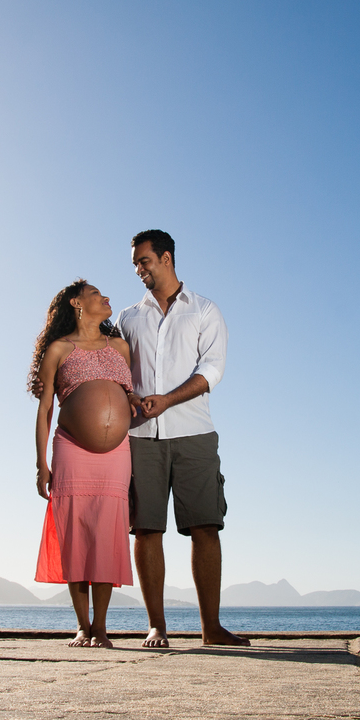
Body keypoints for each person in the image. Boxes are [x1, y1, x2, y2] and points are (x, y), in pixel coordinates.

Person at [117, 230, 250, 648]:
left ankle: (211, 628)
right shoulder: (127, 318)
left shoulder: (205, 311)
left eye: (144, 261)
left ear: (167, 257)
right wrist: (131, 396)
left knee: (206, 526)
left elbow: (212, 371)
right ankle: (157, 626)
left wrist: (168, 400)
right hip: (139, 437)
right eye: (135, 263)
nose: (139, 269)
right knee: (146, 530)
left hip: (194, 433)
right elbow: (117, 372)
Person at [29, 279, 135, 647]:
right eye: (96, 294)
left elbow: (128, 394)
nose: (106, 298)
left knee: (107, 533)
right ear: (76, 302)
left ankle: (102, 627)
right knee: (75, 534)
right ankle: (81, 626)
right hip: (72, 448)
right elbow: (45, 410)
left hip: (118, 454)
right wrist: (42, 464)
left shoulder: (120, 346)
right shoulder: (59, 349)